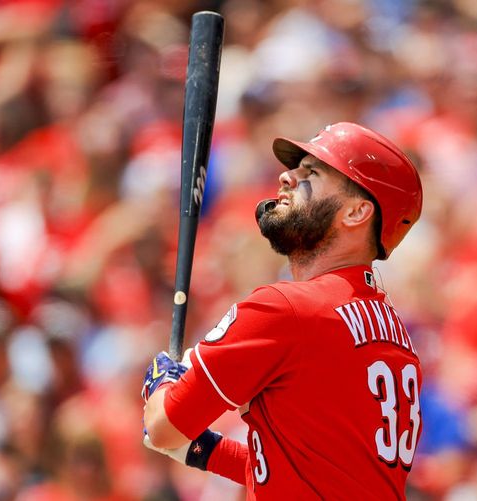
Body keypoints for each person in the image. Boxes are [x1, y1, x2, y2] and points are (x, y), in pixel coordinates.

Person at [141, 122, 424, 500]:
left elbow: (163, 428)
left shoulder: (287, 310)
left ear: (357, 212)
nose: (287, 176)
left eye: (313, 173)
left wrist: (161, 384)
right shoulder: (395, 333)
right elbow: (322, 473)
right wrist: (212, 453)